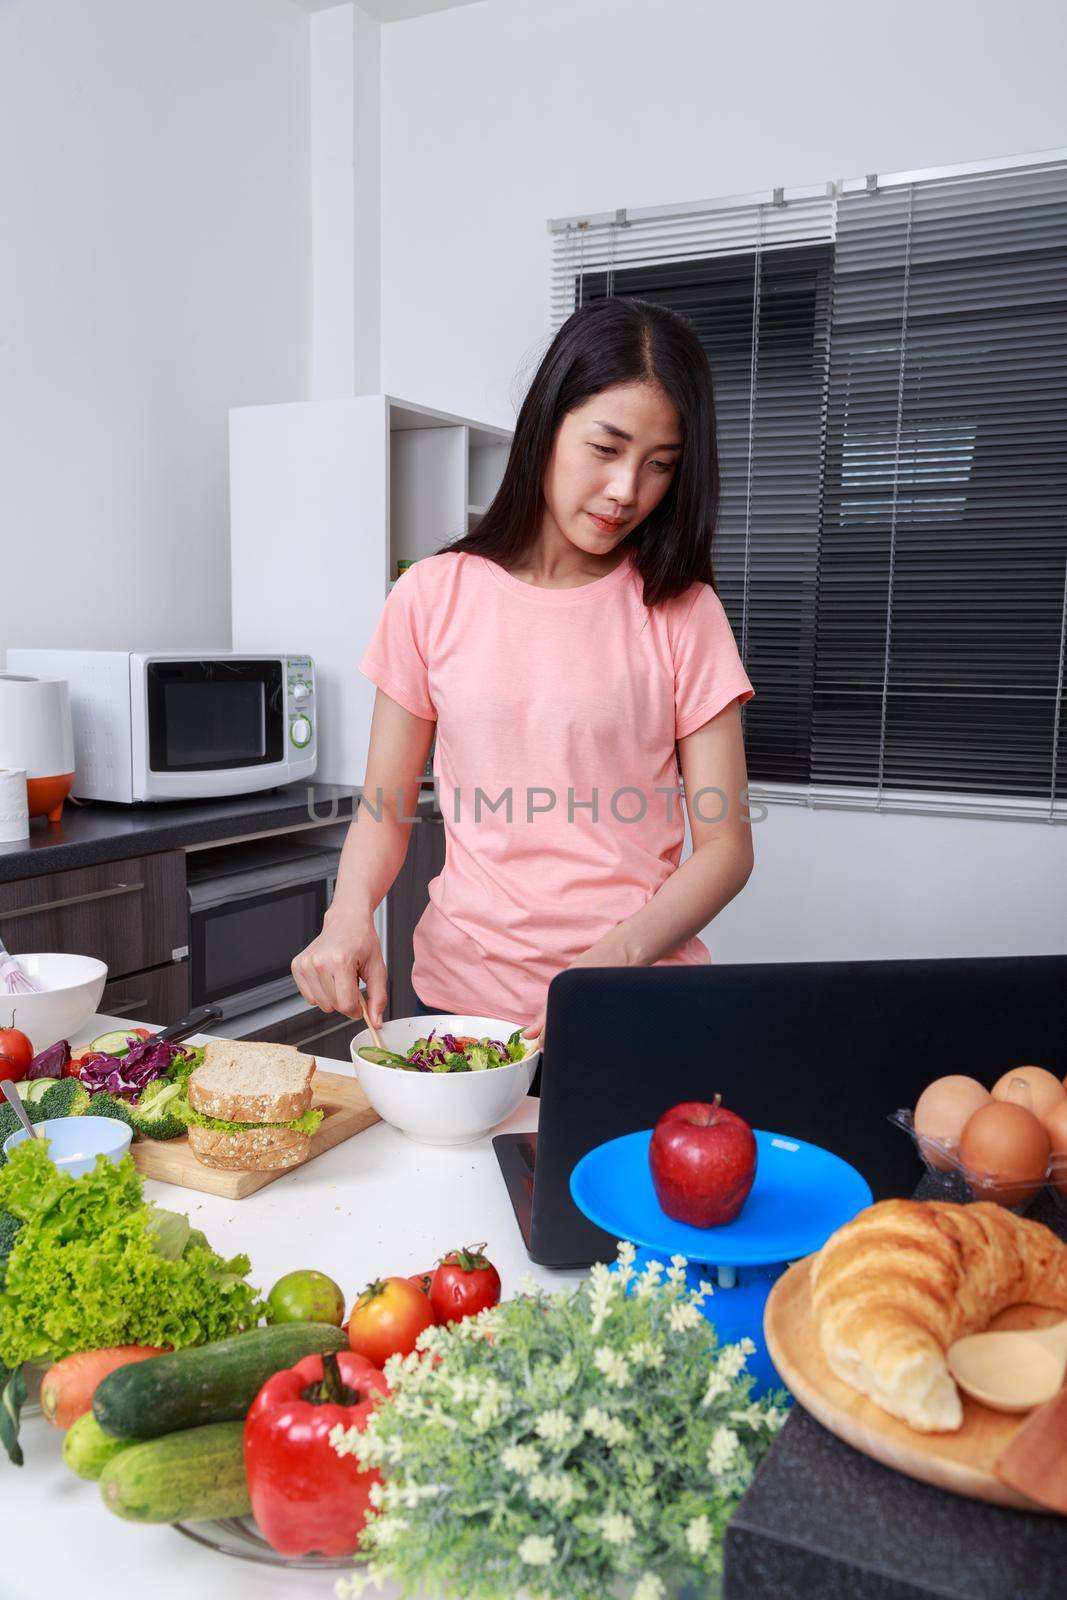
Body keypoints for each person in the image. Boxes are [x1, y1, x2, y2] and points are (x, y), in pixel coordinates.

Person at [291, 295, 755, 1048]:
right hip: (459, 1002)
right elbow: (384, 809)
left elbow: (726, 848)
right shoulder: (431, 596)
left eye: (659, 466)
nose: (625, 491)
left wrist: (614, 962)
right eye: (605, 448)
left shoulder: (681, 611)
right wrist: (348, 916)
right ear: (546, 426)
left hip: (630, 1000)